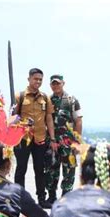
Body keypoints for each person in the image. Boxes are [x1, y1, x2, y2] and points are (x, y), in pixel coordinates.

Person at [13, 68, 55, 208]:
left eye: (40, 80)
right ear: (29, 79)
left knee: (40, 169)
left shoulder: (45, 97)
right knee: (21, 169)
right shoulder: (20, 96)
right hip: (22, 139)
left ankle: (41, 199)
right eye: (35, 79)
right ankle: (20, 200)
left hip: (40, 138)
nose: (38, 82)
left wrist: (52, 138)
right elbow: (12, 117)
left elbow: (48, 118)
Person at [45, 74, 83, 204]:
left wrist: (77, 141)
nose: (55, 86)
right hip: (52, 141)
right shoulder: (47, 100)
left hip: (68, 141)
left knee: (69, 168)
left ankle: (66, 196)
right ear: (50, 85)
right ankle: (51, 195)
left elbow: (78, 121)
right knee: (51, 168)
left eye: (58, 83)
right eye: (53, 84)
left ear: (63, 83)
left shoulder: (71, 100)